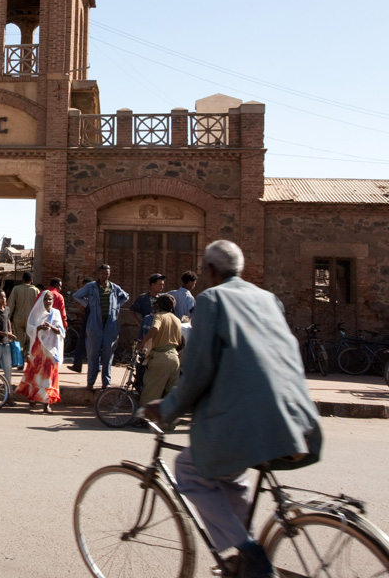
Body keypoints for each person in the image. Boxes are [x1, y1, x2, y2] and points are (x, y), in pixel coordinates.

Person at [144, 240, 322, 578]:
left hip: (246, 422)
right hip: (296, 418)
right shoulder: (267, 298)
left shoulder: (212, 300)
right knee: (232, 477)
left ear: (211, 270)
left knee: (188, 469)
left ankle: (250, 554)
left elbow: (198, 370)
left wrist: (169, 407)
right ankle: (243, 555)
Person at [71, 264, 130, 390]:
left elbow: (126, 296)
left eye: (107, 273)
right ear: (99, 273)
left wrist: (116, 306)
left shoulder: (114, 287)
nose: (105, 276)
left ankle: (106, 382)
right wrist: (88, 304)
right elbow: (76, 295)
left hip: (110, 325)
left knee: (108, 355)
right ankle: (90, 382)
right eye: (103, 273)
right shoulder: (91, 286)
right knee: (93, 354)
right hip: (94, 324)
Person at [137, 293, 183, 426]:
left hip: (160, 357)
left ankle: (145, 421)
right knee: (170, 393)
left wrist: (143, 342)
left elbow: (155, 328)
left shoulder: (159, 316)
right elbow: (180, 340)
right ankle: (170, 422)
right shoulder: (177, 319)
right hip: (174, 358)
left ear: (160, 305)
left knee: (151, 391)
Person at [15, 289, 65, 412]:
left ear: (53, 300)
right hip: (38, 349)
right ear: (42, 300)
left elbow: (61, 331)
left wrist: (51, 327)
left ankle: (46, 404)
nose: (47, 301)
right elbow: (29, 328)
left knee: (48, 376)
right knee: (36, 374)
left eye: (50, 299)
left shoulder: (56, 313)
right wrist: (39, 328)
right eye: (45, 299)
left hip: (50, 350)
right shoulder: (36, 313)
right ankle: (33, 397)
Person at [8, 273, 39, 359]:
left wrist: (8, 317)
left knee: (18, 340)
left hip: (18, 318)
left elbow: (11, 304)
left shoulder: (16, 289)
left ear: (22, 279)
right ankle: (28, 354)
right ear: (31, 280)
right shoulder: (36, 290)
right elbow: (39, 306)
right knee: (30, 339)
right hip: (31, 319)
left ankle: (19, 358)